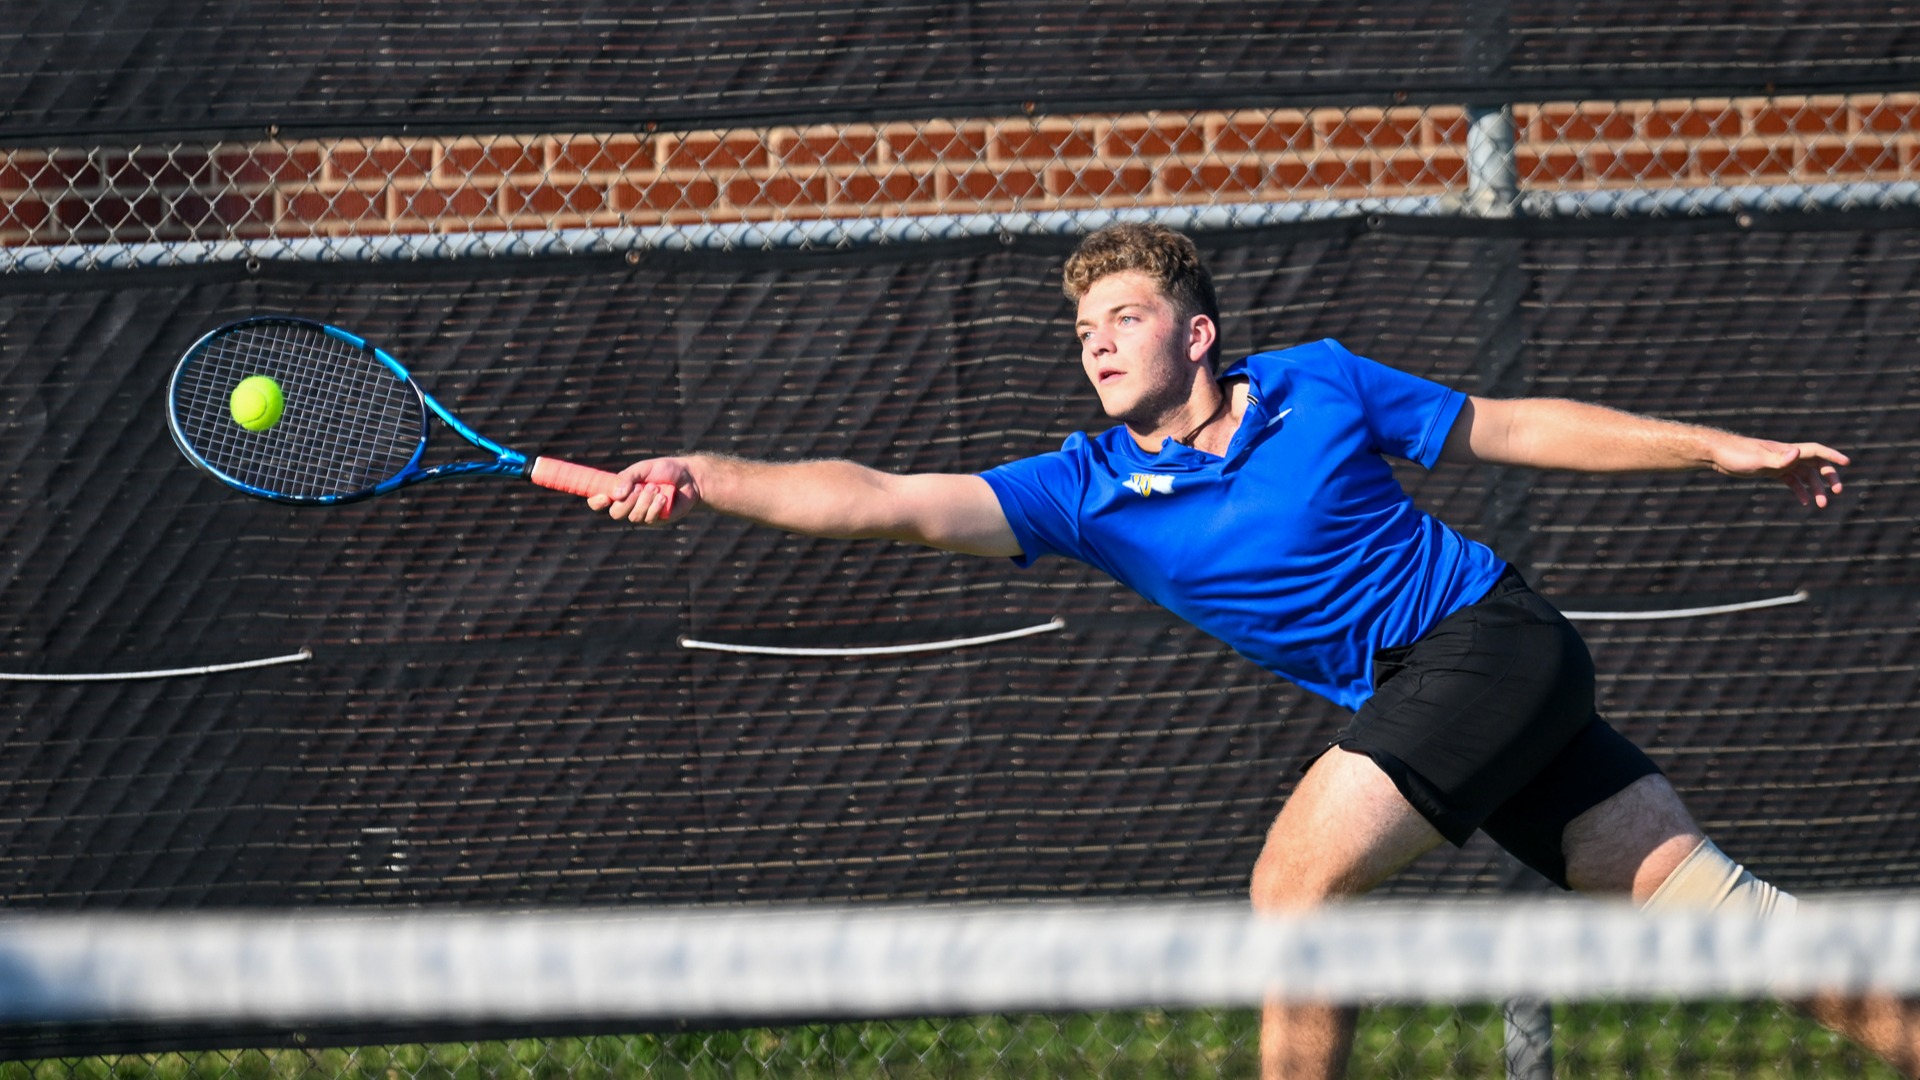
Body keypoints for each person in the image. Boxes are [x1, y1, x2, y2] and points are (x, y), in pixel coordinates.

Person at [585, 223, 1913, 1078]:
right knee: (1725, 925)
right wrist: (705, 471)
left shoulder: (1320, 382)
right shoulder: (1085, 487)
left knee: (1293, 885)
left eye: (1121, 315)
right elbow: (879, 498)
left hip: (1486, 639)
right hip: (1441, 690)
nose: (1095, 340)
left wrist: (1720, 447)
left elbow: (1514, 426)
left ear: (1199, 334)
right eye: (1083, 328)